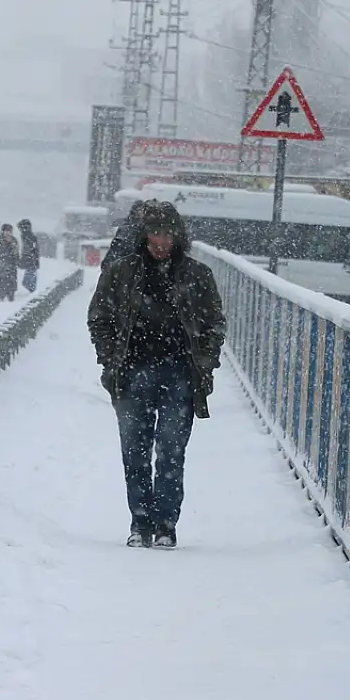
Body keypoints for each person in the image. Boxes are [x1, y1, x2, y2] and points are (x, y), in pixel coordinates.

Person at [86, 200, 226, 550]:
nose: (161, 242)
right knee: (135, 451)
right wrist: (109, 358)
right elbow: (99, 317)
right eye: (154, 234)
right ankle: (140, 522)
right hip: (132, 374)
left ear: (178, 237)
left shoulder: (197, 275)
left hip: (180, 375)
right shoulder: (121, 272)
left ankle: (166, 524)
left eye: (167, 234)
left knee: (170, 451)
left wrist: (205, 362)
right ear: (143, 236)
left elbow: (214, 324)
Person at [102, 200, 147, 270]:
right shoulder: (127, 228)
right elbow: (117, 247)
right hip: (125, 266)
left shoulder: (144, 227)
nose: (142, 213)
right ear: (135, 211)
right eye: (141, 210)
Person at [0, 223, 19, 301]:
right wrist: (8, 245)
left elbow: (16, 253)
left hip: (12, 264)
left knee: (11, 282)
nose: (8, 233)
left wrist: (13, 247)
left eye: (9, 231)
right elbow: (1, 251)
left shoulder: (14, 240)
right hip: (2, 264)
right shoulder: (0, 240)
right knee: (1, 280)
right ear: (3, 232)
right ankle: (1, 295)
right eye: (6, 231)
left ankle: (11, 295)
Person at [17, 219, 40, 292]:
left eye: (21, 228)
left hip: (31, 261)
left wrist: (33, 259)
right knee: (28, 280)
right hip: (30, 260)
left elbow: (33, 250)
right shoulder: (26, 236)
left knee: (27, 281)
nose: (20, 230)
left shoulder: (29, 237)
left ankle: (33, 292)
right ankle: (33, 292)